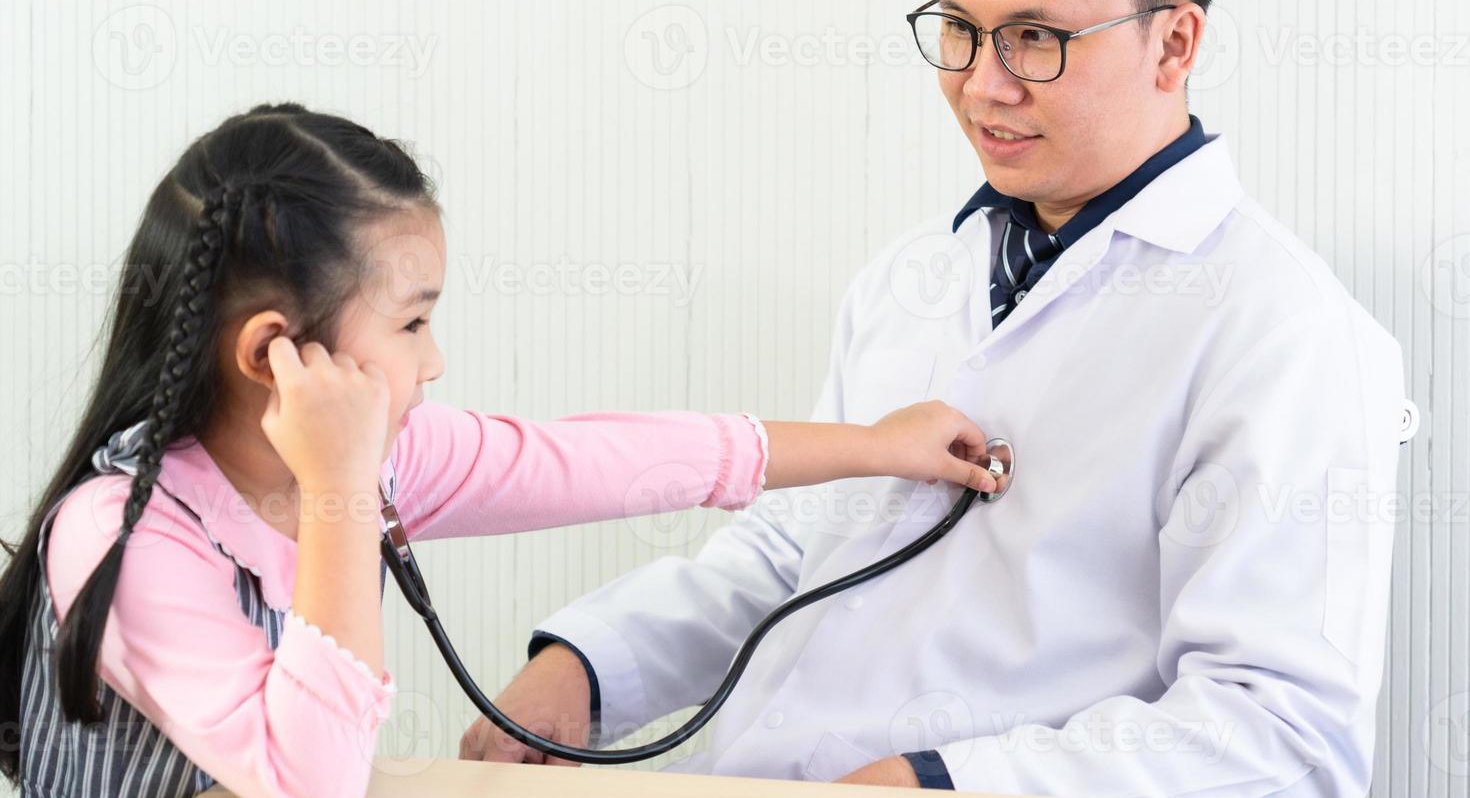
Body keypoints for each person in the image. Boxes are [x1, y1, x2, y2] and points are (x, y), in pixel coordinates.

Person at [461, 0, 1407, 793]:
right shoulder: (915, 276)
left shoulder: (1284, 332)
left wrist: (943, 778)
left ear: (1174, 41)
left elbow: (1280, 735)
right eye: (958, 27)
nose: (980, 83)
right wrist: (588, 664)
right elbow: (800, 550)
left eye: (1035, 38)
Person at [0, 103, 1001, 797]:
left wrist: (873, 444)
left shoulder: (383, 461)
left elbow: (599, 459)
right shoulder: (121, 537)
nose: (435, 359)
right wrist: (342, 487)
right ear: (274, 351)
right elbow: (309, 777)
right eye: (410, 323)